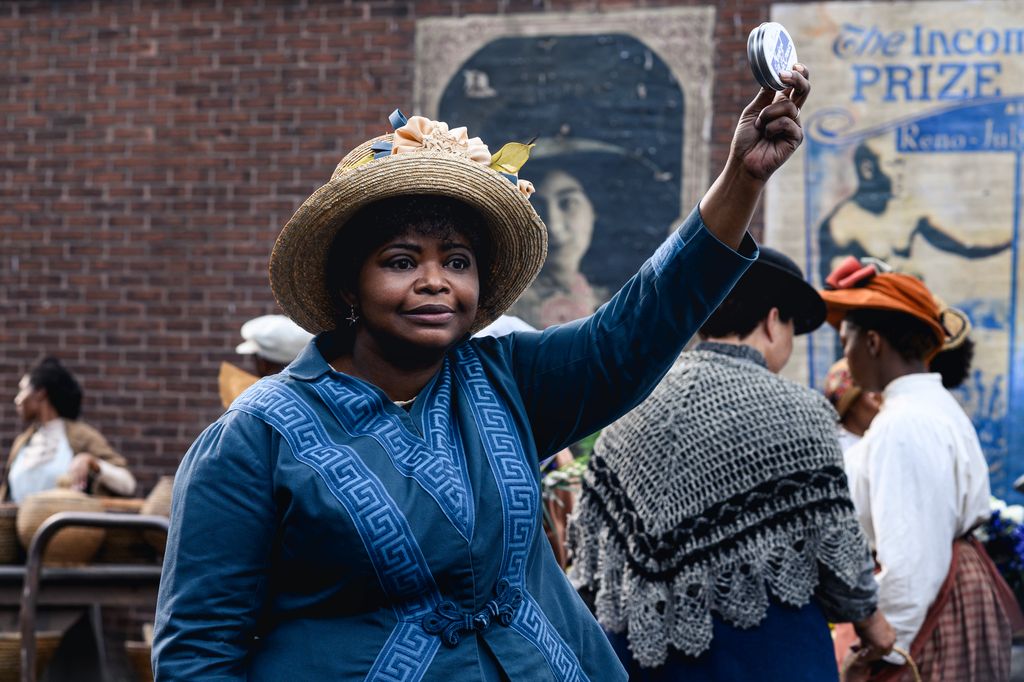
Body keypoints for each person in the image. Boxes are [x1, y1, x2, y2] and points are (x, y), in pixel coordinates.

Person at [153, 62, 811, 680]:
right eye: (402, 261)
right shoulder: (254, 440)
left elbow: (635, 330)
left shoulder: (509, 382)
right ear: (349, 286)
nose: (436, 282)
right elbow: (200, 647)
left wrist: (742, 178)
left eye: (458, 261)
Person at [569, 247, 894, 681]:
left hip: (633, 659)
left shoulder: (630, 406)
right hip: (764, 656)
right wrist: (874, 626)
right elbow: (838, 551)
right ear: (773, 320)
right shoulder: (801, 411)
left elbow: (588, 563)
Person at [819, 259, 1023, 681]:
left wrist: (884, 650)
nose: (845, 357)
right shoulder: (928, 408)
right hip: (946, 592)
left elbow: (911, 560)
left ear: (872, 342)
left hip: (932, 606)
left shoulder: (904, 424)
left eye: (846, 342)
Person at [1, 357, 135, 502]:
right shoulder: (22, 442)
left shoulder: (81, 436)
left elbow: (128, 484)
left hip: (63, 523)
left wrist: (92, 462)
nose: (17, 399)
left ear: (40, 392)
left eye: (22, 389)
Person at [218, 314, 314, 408]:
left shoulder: (259, 400)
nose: (254, 364)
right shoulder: (309, 395)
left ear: (264, 364)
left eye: (255, 357)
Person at [823, 357, 882, 452]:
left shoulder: (882, 439)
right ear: (852, 404)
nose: (881, 402)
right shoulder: (834, 449)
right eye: (873, 394)